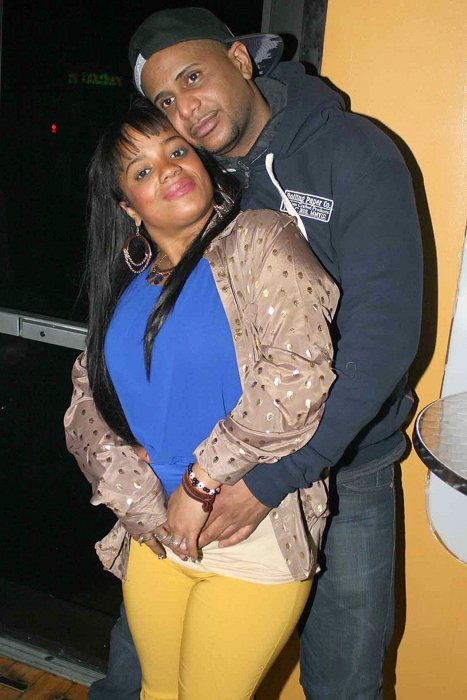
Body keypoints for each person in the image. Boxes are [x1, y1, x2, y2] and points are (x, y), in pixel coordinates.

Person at [65, 8, 423, 700]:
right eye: (164, 101)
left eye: (191, 77)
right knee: (137, 676)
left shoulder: (349, 152)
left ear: (238, 58)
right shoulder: (192, 181)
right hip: (186, 489)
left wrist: (273, 478)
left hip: (345, 461)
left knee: (343, 681)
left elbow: (382, 337)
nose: (184, 109)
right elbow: (111, 367)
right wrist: (142, 478)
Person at [68, 97, 338, 700]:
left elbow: (298, 375)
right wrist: (134, 493)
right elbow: (86, 397)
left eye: (177, 151)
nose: (168, 169)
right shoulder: (128, 285)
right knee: (156, 692)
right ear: (127, 207)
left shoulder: (259, 240)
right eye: (142, 170)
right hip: (156, 533)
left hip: (249, 534)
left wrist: (199, 484)